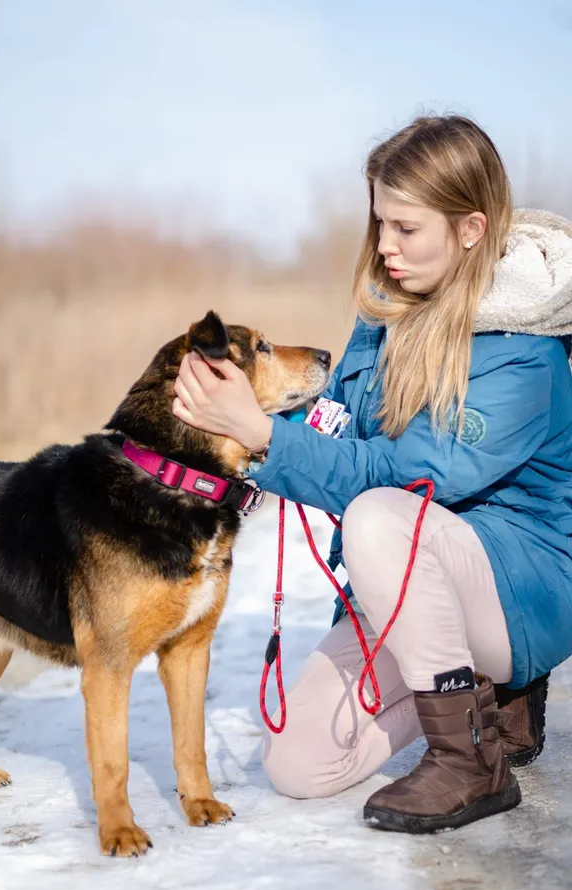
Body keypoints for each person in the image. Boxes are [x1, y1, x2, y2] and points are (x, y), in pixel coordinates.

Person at [171, 115, 572, 833]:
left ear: (471, 228)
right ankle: (478, 686)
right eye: (379, 222)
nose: (384, 246)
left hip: (523, 585)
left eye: (406, 227)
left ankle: (470, 756)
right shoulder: (385, 317)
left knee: (378, 515)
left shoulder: (525, 355)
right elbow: (337, 426)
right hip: (415, 573)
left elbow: (403, 478)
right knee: (299, 766)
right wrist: (230, 426)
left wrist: (262, 437)